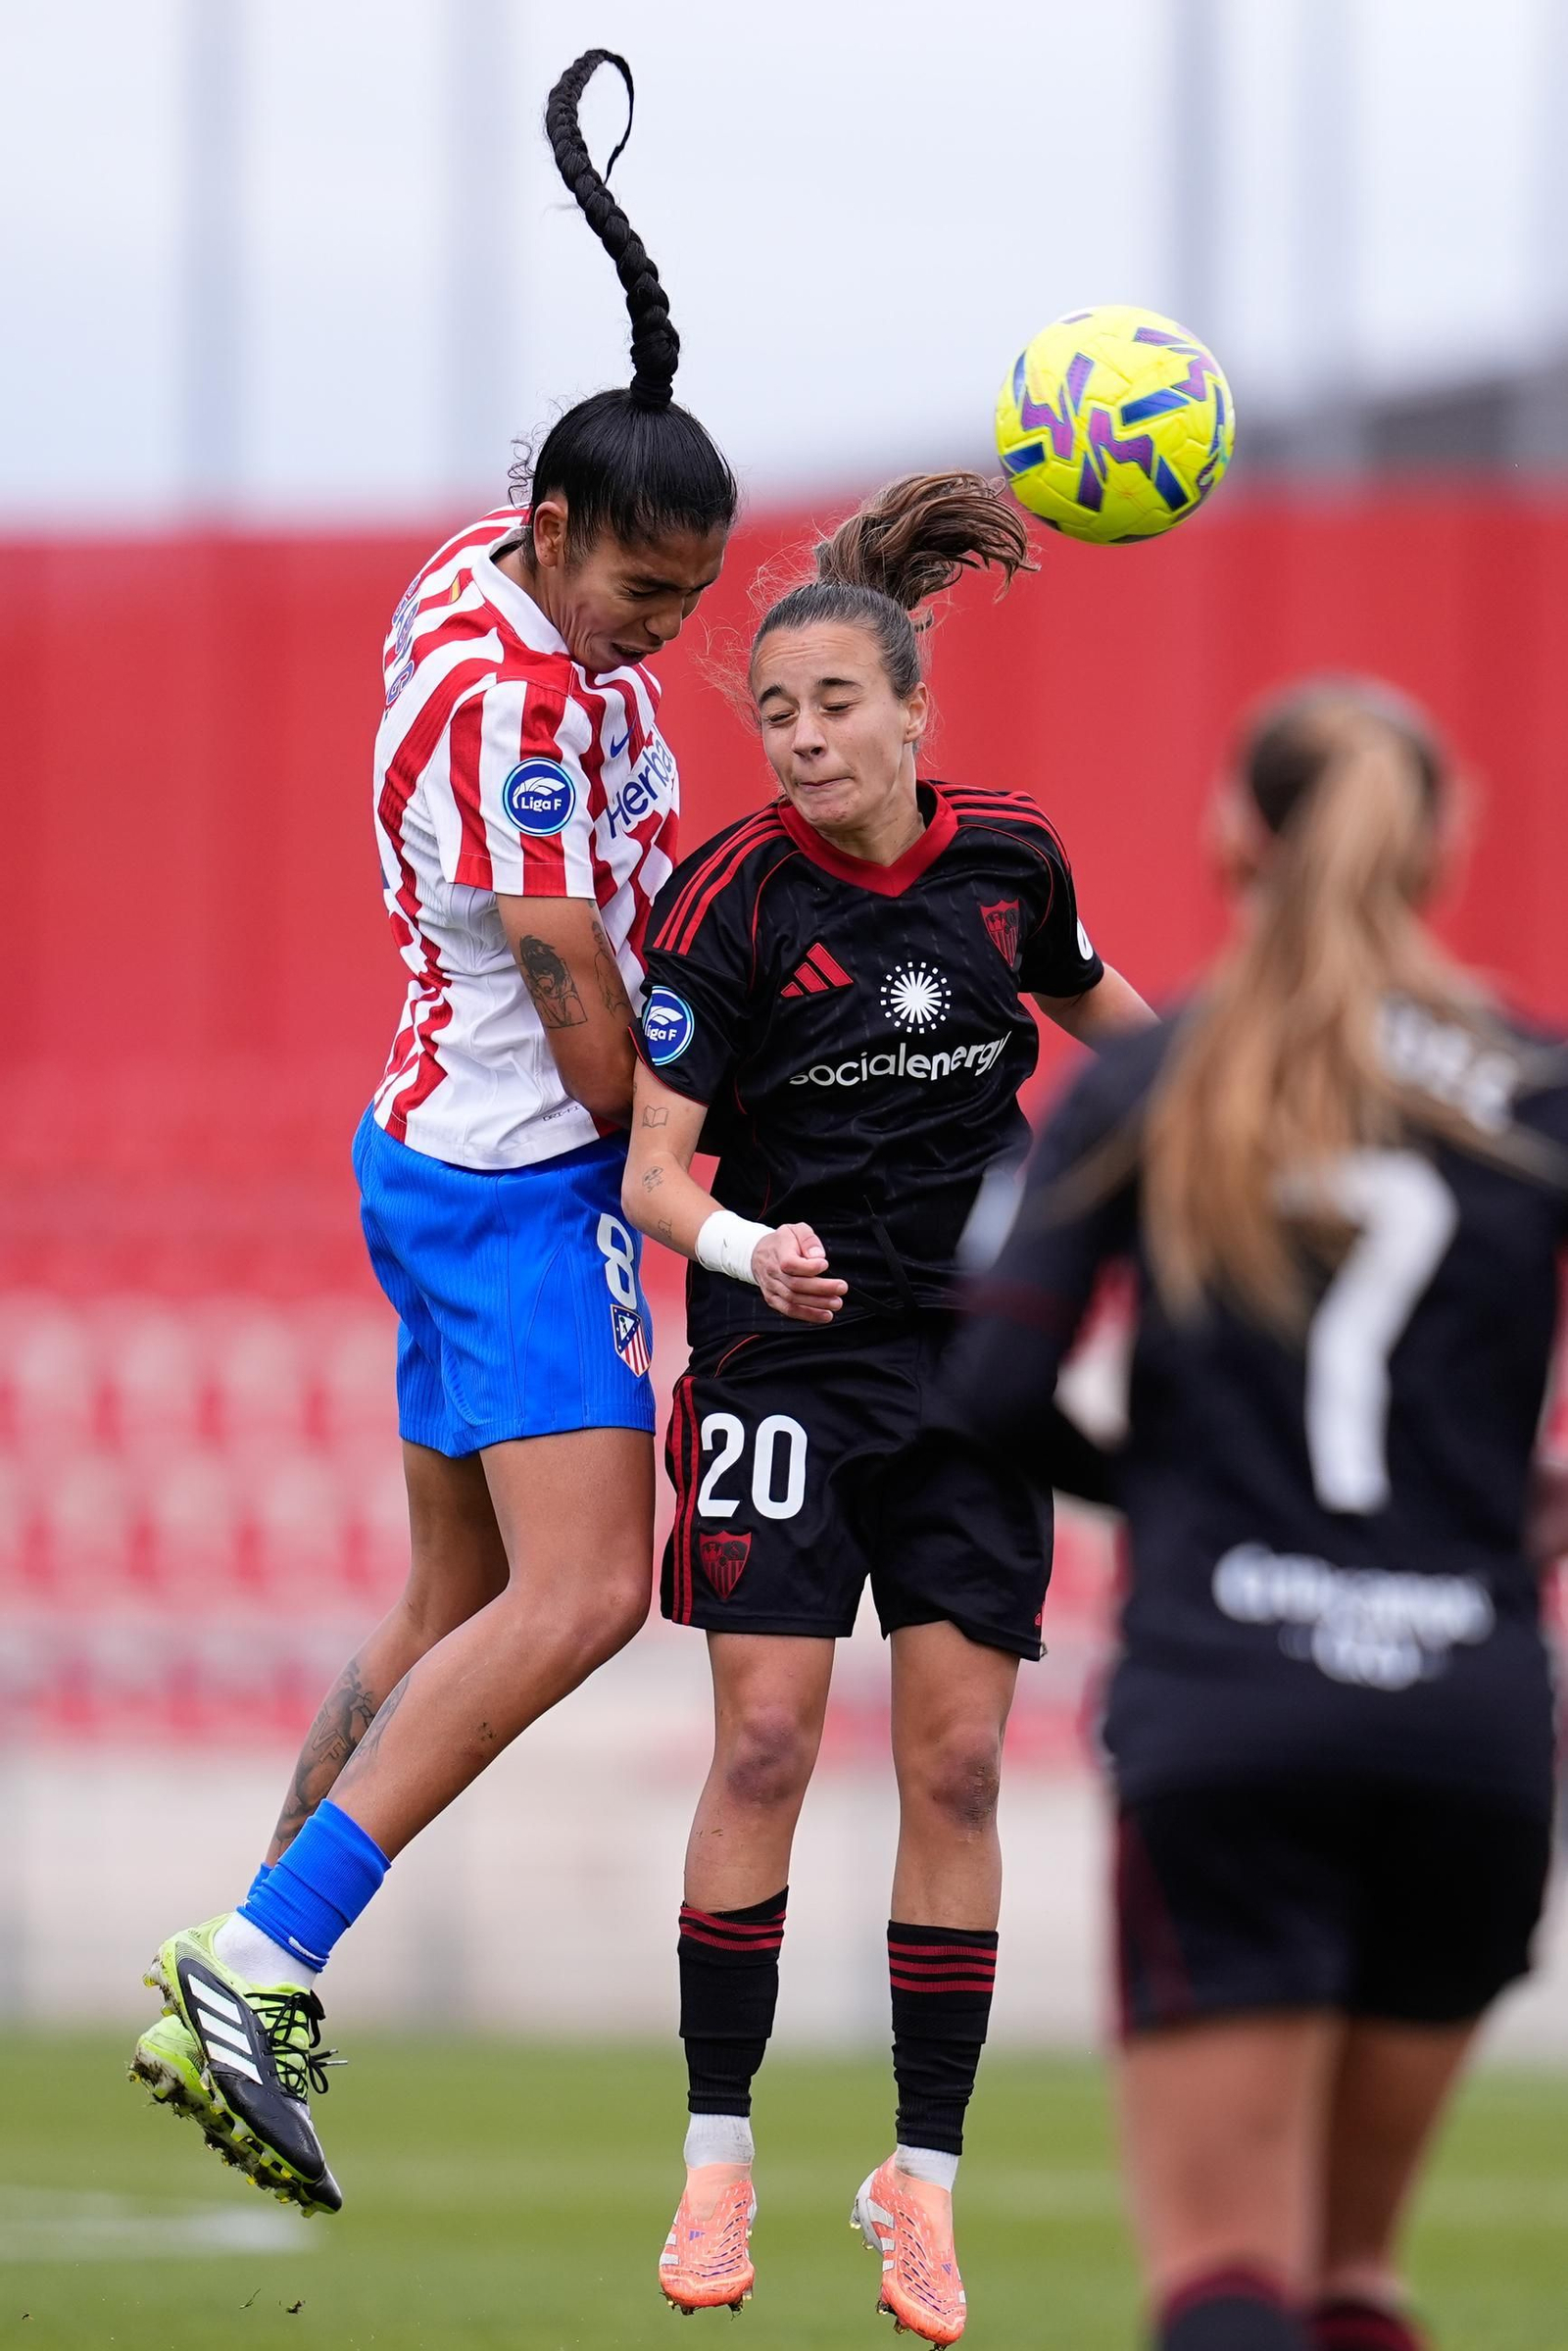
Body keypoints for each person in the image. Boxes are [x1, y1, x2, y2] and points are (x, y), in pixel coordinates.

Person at [129, 49, 737, 2218]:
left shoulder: (513, 561)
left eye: (686, 603)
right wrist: (685, 1156)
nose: (659, 636)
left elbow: (608, 537)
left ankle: (241, 1941)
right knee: (585, 1597)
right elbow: (579, 997)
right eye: (641, 599)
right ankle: (260, 1952)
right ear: (553, 535)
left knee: (453, 1594)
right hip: (510, 1164)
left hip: (430, 1148)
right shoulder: (510, 692)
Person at [944, 680, 1565, 2351]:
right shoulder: (1535, 1084)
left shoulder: (1155, 1077)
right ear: (1438, 850)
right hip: (1471, 1726)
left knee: (1229, 2280)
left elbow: (989, 1393)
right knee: (1355, 2279)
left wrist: (1171, 1488)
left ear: (1236, 839)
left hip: (1233, 1704)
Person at [621, 471, 1152, 2340]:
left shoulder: (1011, 859)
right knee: (765, 1745)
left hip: (974, 1370)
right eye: (776, 713)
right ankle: (716, 2149)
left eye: (839, 704)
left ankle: (918, 2183)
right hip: (785, 1358)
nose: (806, 737)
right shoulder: (731, 900)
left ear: (914, 712)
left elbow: (1112, 1019)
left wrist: (1236, 1100)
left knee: (954, 1766)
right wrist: (750, 1244)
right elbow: (655, 1176)